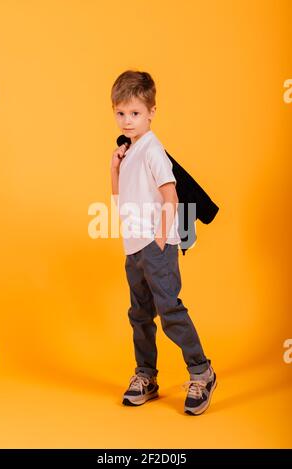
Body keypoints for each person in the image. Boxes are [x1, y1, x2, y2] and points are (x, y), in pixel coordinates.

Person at [110, 70, 217, 415]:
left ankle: (202, 372)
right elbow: (119, 198)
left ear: (152, 112)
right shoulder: (128, 153)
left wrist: (161, 238)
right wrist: (114, 168)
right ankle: (146, 376)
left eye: (135, 113)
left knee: (169, 310)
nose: (127, 120)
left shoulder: (153, 151)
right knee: (139, 314)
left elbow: (170, 195)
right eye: (121, 113)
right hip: (133, 246)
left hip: (155, 246)